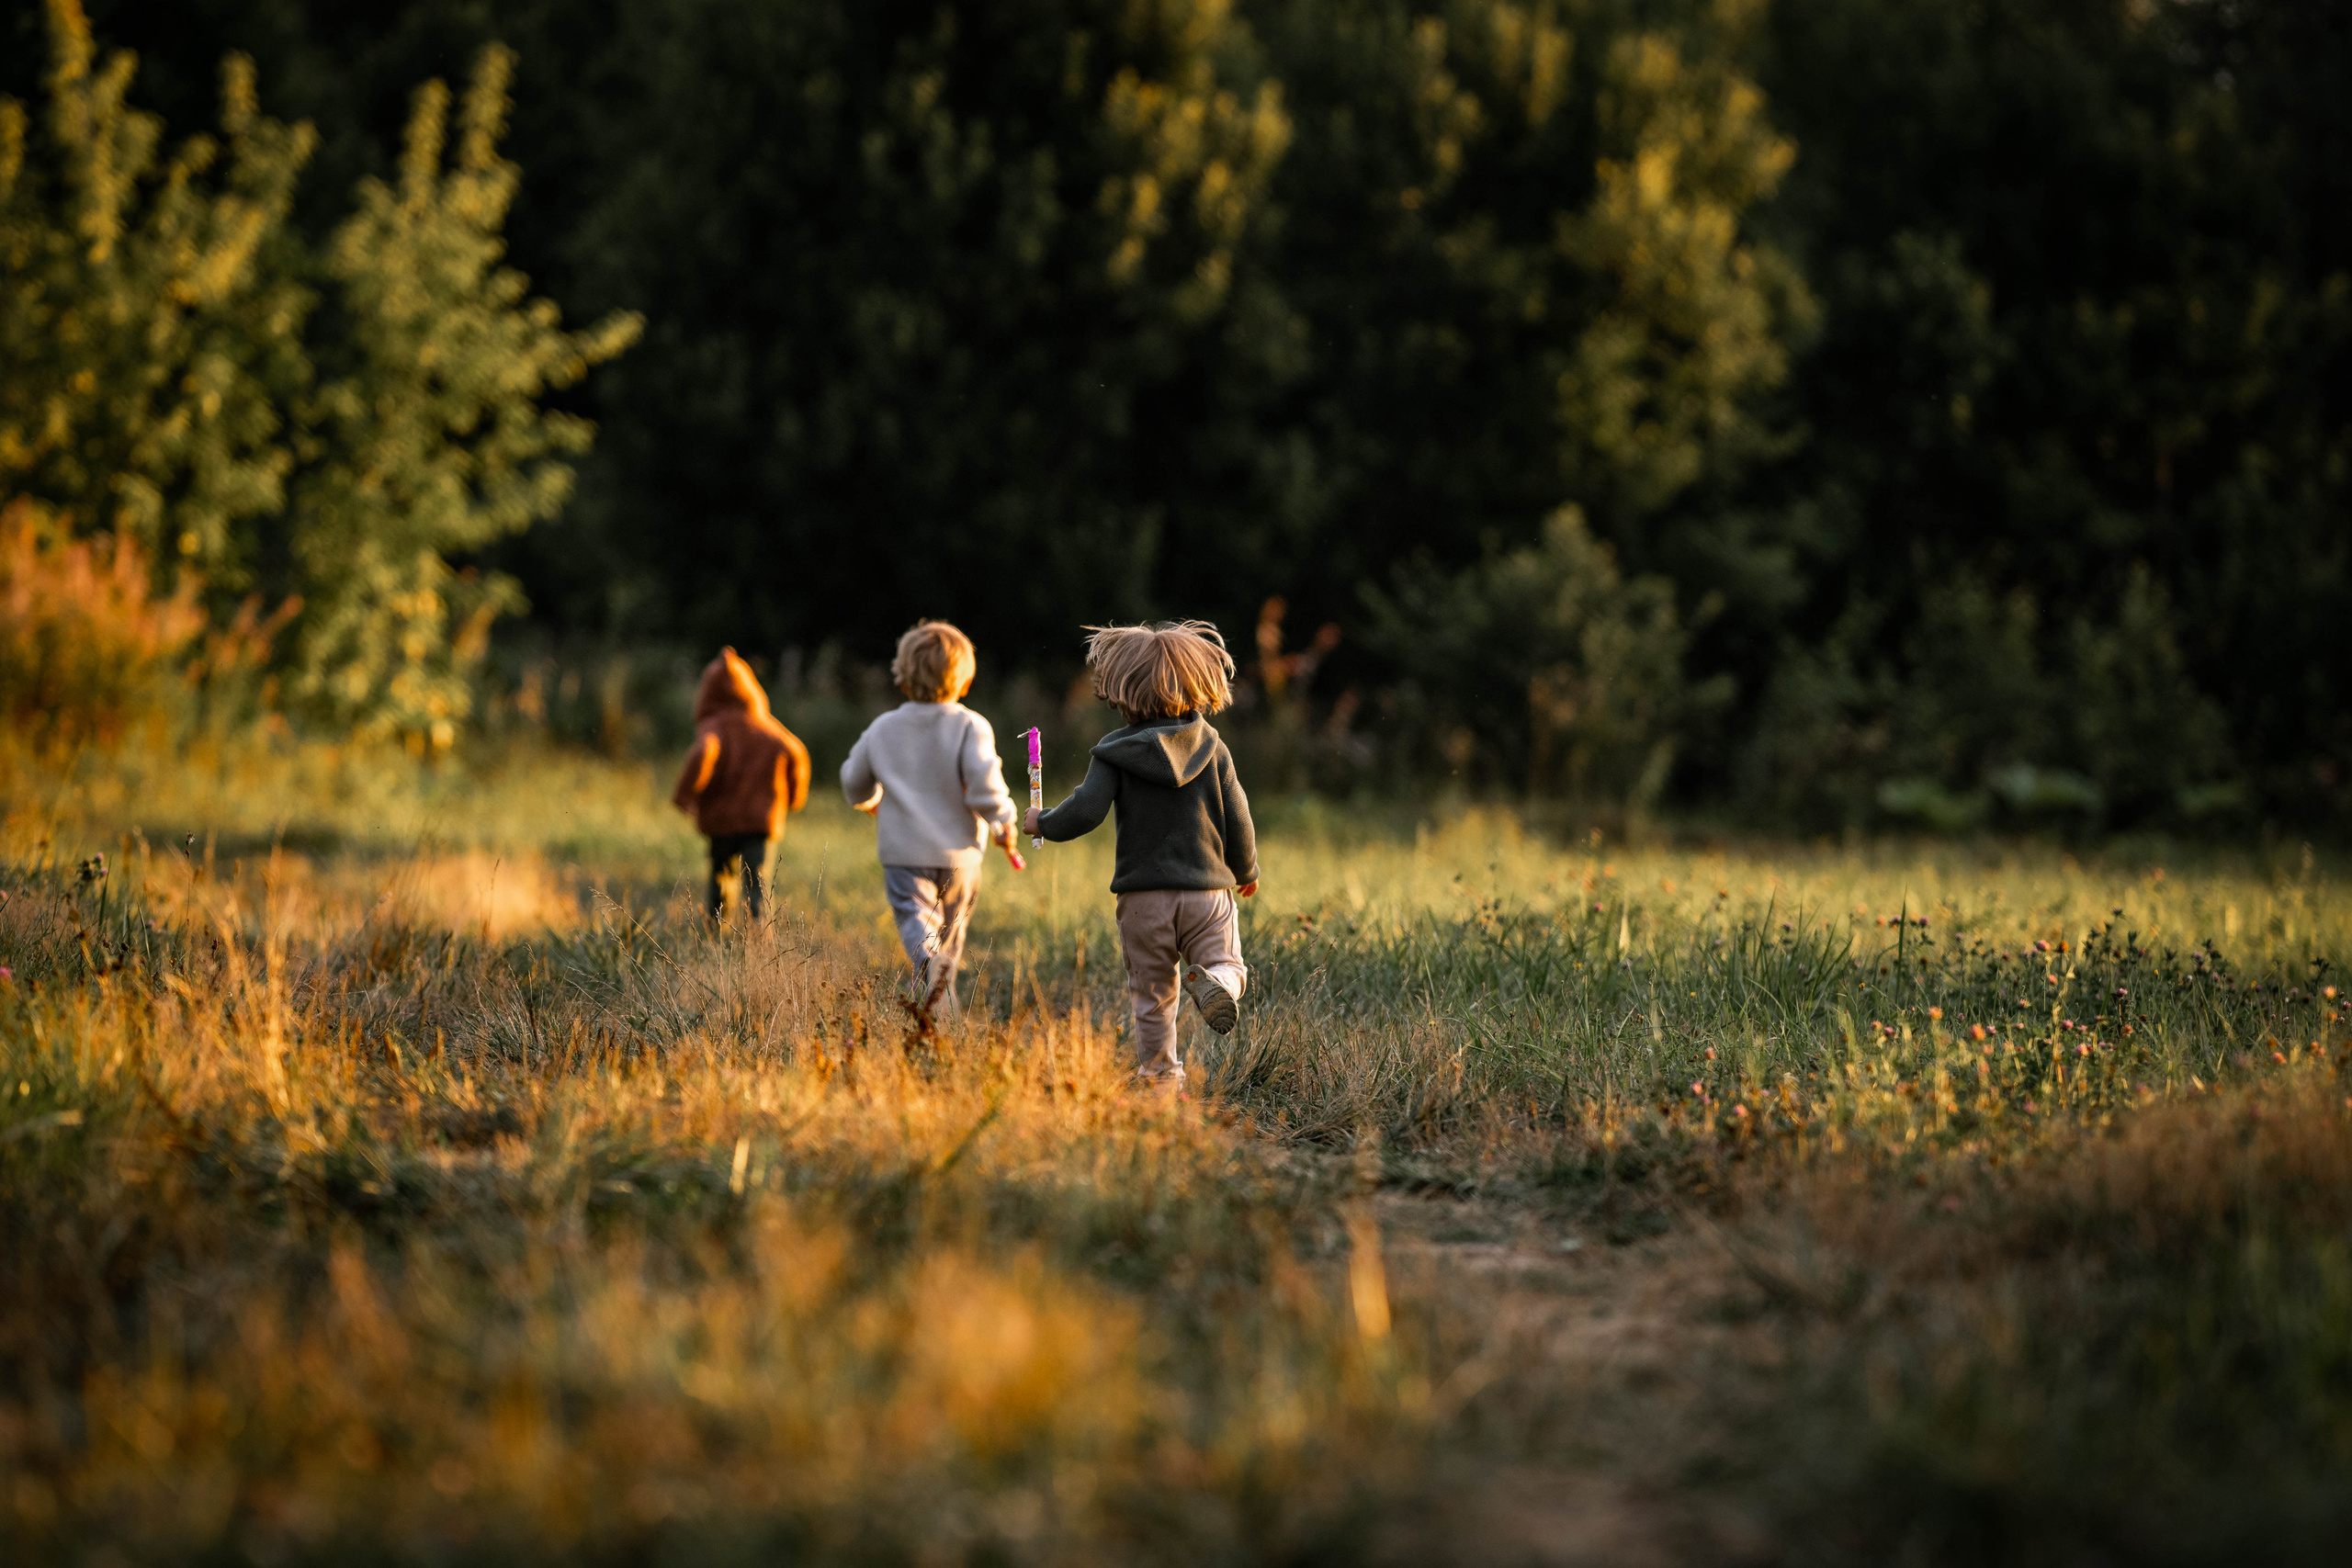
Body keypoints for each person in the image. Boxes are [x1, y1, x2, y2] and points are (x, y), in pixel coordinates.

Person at [1024, 620, 1258, 1089]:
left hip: (1143, 899)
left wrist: (1042, 822)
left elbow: (1085, 812)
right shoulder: (1214, 748)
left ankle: (1159, 1078)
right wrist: (1246, 868)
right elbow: (1238, 814)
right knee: (1228, 963)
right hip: (1207, 892)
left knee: (1152, 994)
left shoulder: (1113, 752)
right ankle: (1219, 983)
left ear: (1122, 685)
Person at [841, 620, 1021, 1011]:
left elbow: (853, 780)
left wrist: (869, 799)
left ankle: (930, 973)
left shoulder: (883, 728)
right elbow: (985, 784)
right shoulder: (970, 725)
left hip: (904, 854)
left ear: (902, 679)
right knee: (951, 932)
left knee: (916, 920)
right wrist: (1002, 819)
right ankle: (941, 993)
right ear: (965, 682)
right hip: (961, 856)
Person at [672, 647, 810, 920]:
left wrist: (685, 797)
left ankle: (716, 927)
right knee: (758, 880)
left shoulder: (714, 727)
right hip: (760, 821)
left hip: (720, 821)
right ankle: (759, 931)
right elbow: (797, 754)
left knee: (721, 875)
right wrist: (794, 798)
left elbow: (703, 754)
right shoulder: (767, 726)